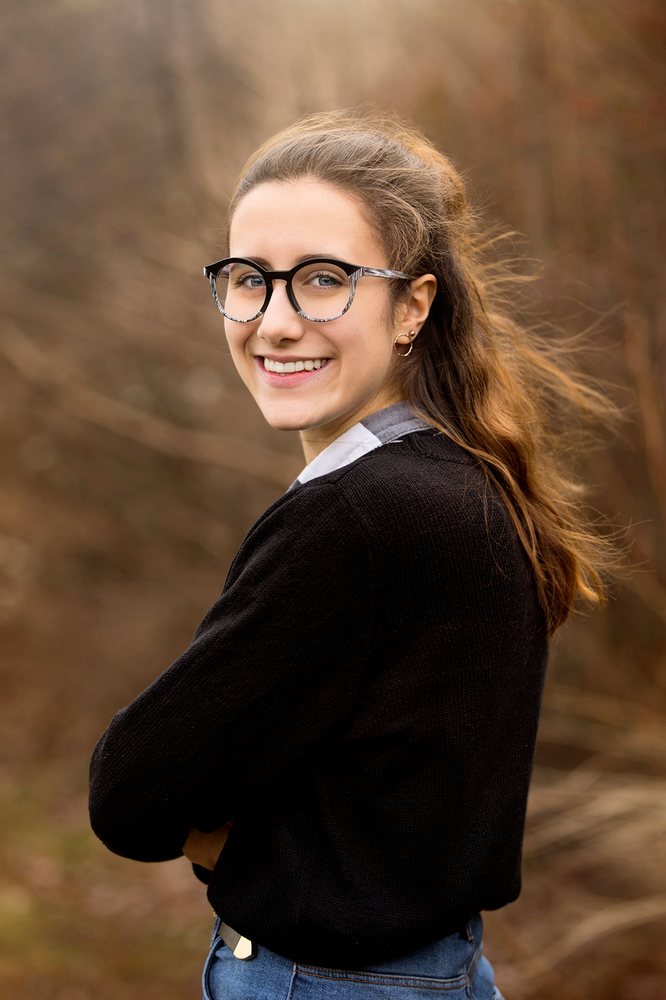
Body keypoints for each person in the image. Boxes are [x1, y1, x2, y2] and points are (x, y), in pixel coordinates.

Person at [88, 110, 614, 999]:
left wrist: (238, 838)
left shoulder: (362, 516)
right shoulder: (464, 480)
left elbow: (131, 791)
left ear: (413, 305)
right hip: (439, 971)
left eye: (324, 280)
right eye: (249, 280)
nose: (274, 321)